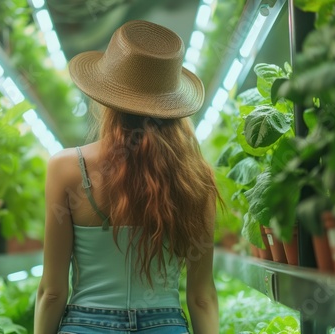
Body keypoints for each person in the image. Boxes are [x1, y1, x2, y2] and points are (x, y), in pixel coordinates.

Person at [34, 20, 220, 334]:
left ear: (105, 97)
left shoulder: (67, 167)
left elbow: (52, 292)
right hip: (165, 325)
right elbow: (202, 298)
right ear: (171, 104)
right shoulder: (196, 178)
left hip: (85, 325)